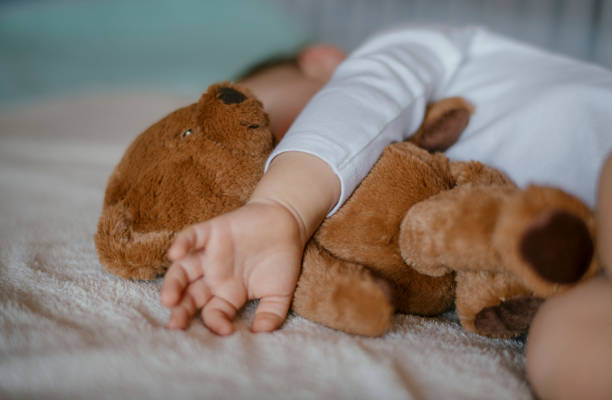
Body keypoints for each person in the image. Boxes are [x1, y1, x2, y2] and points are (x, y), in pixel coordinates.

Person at [159, 25, 612, 398]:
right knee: (561, 347)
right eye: (264, 166)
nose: (276, 158)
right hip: (580, 272)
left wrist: (281, 206)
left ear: (321, 62)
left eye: (271, 129)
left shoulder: (405, 52)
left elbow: (362, 97)